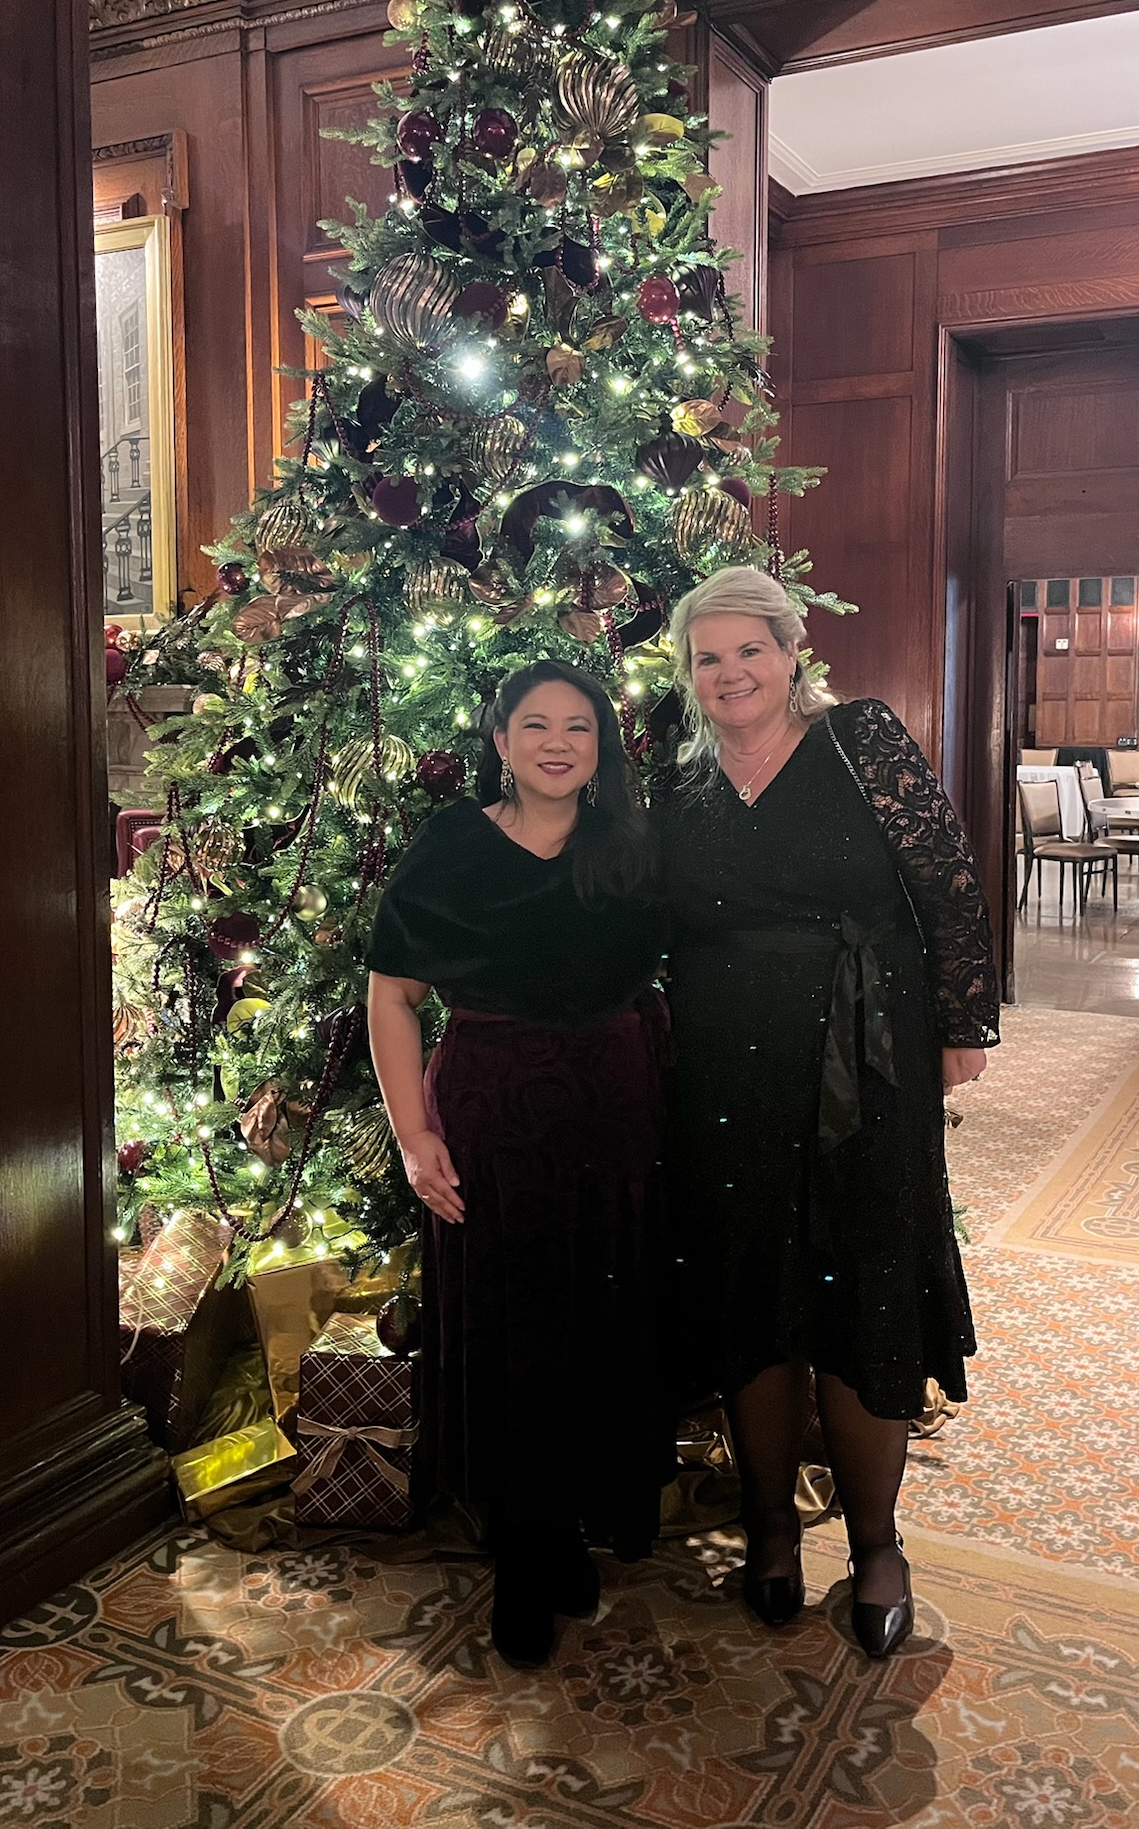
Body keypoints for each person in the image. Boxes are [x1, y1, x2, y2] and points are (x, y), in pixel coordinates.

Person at [654, 567, 999, 1660]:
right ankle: (768, 1525)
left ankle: (877, 1543)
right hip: (723, 1073)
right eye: (708, 657)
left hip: (868, 1055)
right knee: (752, 1289)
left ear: (791, 649)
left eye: (749, 649)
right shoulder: (679, 779)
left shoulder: (862, 739)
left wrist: (961, 1022)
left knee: (866, 1285)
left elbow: (947, 881)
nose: (730, 674)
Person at [366, 658, 672, 1668]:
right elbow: (393, 996)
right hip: (492, 1118)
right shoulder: (453, 843)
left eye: (578, 726)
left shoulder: (630, 844)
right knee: (510, 1322)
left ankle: (568, 1524)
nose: (556, 743)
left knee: (596, 1317)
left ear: (601, 747)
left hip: (612, 1115)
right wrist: (413, 1133)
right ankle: (523, 1550)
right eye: (534, 724)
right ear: (499, 740)